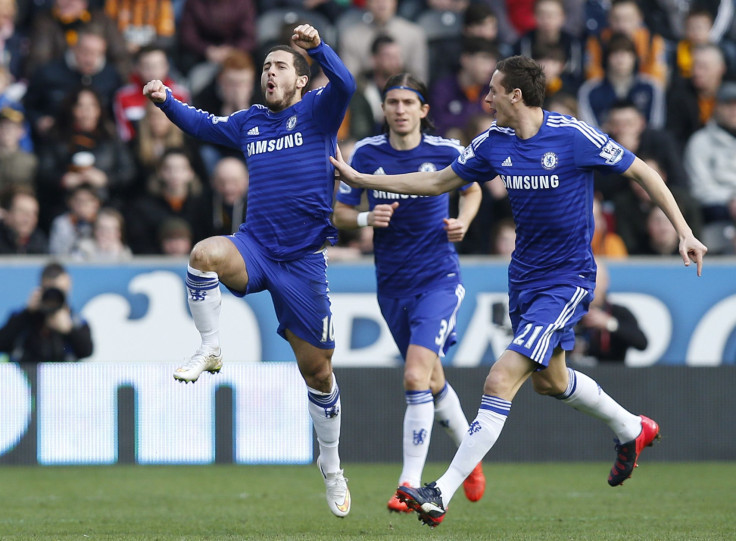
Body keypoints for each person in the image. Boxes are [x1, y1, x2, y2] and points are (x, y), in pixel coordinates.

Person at [331, 54, 707, 528]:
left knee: (498, 380)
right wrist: (366, 181)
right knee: (551, 381)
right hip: (523, 278)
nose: (484, 98)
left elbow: (643, 173)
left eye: (492, 90)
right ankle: (632, 427)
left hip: (566, 279)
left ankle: (438, 490)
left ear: (515, 95)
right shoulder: (493, 143)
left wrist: (684, 231)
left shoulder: (572, 135)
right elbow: (438, 180)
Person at [143, 24, 355, 518]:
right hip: (255, 246)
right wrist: (165, 99)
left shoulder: (319, 111)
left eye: (280, 67)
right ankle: (210, 346)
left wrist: (319, 47)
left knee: (317, 372)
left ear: (302, 80)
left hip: (303, 262)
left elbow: (345, 84)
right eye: (265, 67)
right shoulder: (251, 121)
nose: (269, 74)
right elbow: (203, 125)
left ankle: (331, 466)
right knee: (202, 255)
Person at [333, 72, 485, 513]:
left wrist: (466, 221)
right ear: (384, 109)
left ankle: (409, 485)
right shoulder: (364, 153)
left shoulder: (446, 152)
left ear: (423, 110)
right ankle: (469, 459)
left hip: (438, 279)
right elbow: (340, 212)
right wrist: (365, 220)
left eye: (407, 102)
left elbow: (473, 190)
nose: (399, 109)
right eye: (392, 101)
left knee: (416, 376)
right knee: (432, 379)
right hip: (391, 285)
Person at [0, 261, 93, 363]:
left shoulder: (75, 320)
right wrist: (27, 313)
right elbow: (3, 343)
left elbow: (87, 351)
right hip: (26, 375)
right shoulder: (26, 317)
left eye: (59, 291)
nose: (53, 299)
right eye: (50, 291)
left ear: (68, 287)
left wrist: (69, 330)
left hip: (63, 376)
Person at [572, 259, 647, 364]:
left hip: (613, 374)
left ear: (605, 282)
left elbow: (642, 343)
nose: (589, 284)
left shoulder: (619, 312)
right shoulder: (571, 313)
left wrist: (609, 324)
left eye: (594, 278)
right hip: (576, 373)